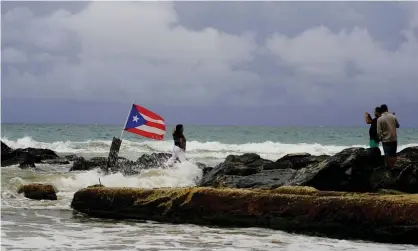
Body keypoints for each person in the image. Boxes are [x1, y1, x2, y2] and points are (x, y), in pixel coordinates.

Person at [377, 104, 400, 168]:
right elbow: (398, 125)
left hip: (386, 140)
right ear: (387, 109)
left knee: (387, 156)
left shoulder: (379, 119)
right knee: (393, 155)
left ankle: (389, 169)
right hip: (394, 139)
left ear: (381, 111)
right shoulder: (393, 117)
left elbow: (379, 132)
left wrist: (380, 138)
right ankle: (393, 167)